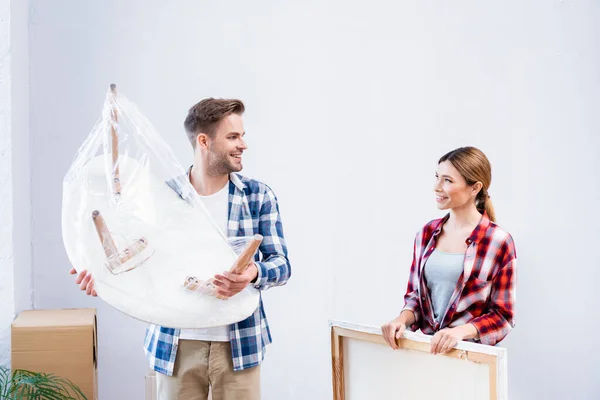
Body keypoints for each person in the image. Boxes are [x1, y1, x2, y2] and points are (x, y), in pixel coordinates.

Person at [70, 98, 291, 399]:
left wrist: (252, 273)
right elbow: (137, 263)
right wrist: (105, 279)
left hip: (239, 345)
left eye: (242, 135)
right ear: (204, 141)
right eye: (233, 136)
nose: (243, 145)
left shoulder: (257, 196)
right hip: (175, 345)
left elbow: (281, 265)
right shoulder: (162, 198)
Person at [381, 146, 516, 355]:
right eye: (437, 177)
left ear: (475, 188)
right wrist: (401, 320)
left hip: (470, 359)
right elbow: (416, 296)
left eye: (448, 180)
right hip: (425, 353)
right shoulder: (426, 234)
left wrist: (459, 332)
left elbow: (502, 317)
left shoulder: (499, 242)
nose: (437, 187)